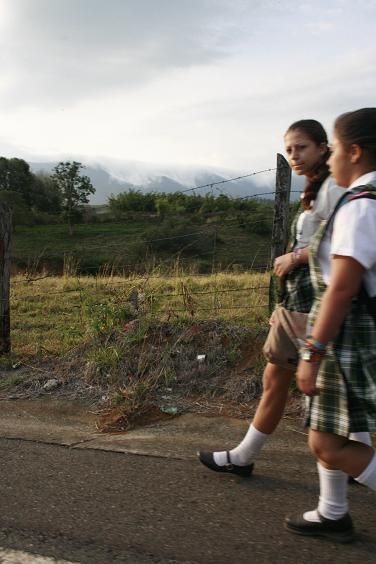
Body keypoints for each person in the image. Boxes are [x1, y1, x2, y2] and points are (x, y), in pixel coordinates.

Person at [198, 119, 371, 476]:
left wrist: (293, 257)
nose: (294, 155)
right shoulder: (321, 187)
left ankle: (247, 458)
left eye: (302, 147)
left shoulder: (339, 192)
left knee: (300, 389)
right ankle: (333, 498)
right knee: (306, 392)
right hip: (301, 298)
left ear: (326, 148)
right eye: (289, 149)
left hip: (313, 300)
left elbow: (341, 255)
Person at [285, 107, 376, 543]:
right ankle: (332, 511)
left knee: (327, 443)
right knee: (334, 428)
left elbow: (340, 290)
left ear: (354, 152)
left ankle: (333, 511)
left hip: (350, 338)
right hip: (358, 333)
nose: (331, 159)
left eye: (335, 149)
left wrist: (312, 353)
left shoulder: (359, 206)